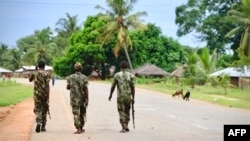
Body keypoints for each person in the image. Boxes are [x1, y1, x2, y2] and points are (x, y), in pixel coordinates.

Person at [109, 60, 135, 133]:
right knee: (127, 111)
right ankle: (126, 125)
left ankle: (123, 127)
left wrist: (110, 95)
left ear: (120, 67)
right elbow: (133, 87)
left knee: (121, 111)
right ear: (127, 67)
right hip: (128, 97)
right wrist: (133, 98)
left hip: (120, 97)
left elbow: (113, 86)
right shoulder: (131, 75)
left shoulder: (117, 75)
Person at [66, 62, 89, 134]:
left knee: (76, 113)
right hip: (82, 98)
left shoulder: (70, 77)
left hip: (74, 98)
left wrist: (71, 86)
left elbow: (68, 87)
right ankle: (81, 127)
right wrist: (87, 98)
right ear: (81, 69)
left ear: (74, 69)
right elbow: (86, 89)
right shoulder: (84, 77)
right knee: (82, 113)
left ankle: (78, 128)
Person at [29, 60, 50, 133]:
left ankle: (38, 121)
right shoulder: (47, 74)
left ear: (37, 66)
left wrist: (35, 70)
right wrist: (48, 96)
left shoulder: (35, 73)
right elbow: (47, 85)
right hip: (44, 94)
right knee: (44, 109)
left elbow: (30, 80)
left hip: (37, 94)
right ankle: (43, 127)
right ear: (44, 66)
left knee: (38, 109)